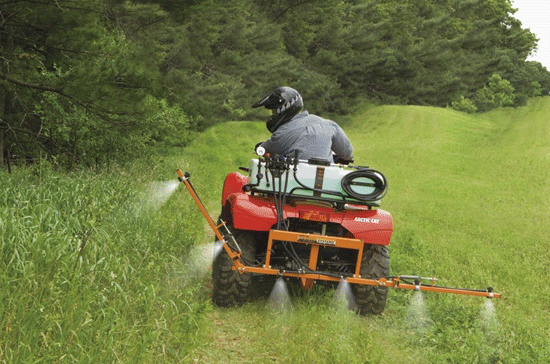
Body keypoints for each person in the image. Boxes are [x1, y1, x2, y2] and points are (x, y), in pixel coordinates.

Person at [252, 86, 354, 163]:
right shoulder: (328, 124)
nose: (273, 116)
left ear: (284, 109)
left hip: (293, 184)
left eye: (274, 112)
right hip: (326, 182)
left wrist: (259, 146)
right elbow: (347, 153)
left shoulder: (281, 134)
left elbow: (265, 148)